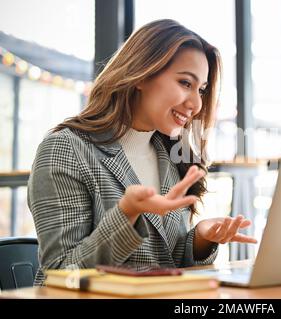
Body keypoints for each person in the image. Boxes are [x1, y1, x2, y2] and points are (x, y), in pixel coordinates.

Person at [28, 19, 257, 286]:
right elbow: (60, 275)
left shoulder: (170, 157)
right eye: (185, 83)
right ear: (142, 74)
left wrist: (200, 240)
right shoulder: (66, 149)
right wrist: (126, 214)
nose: (195, 104)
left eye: (202, 90)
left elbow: (166, 262)